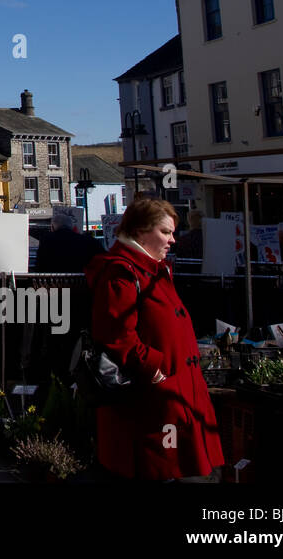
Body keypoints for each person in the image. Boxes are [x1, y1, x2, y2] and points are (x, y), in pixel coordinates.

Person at [84, 196, 224, 480]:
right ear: (139, 231)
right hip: (151, 399)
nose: (172, 240)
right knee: (158, 470)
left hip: (172, 393)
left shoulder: (153, 269)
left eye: (173, 232)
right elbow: (117, 335)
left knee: (176, 470)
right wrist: (157, 371)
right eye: (165, 232)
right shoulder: (122, 271)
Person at [34, 211, 103, 273]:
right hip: (82, 282)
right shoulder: (88, 241)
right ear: (72, 227)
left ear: (52, 227)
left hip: (54, 282)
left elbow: (40, 265)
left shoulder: (46, 241)